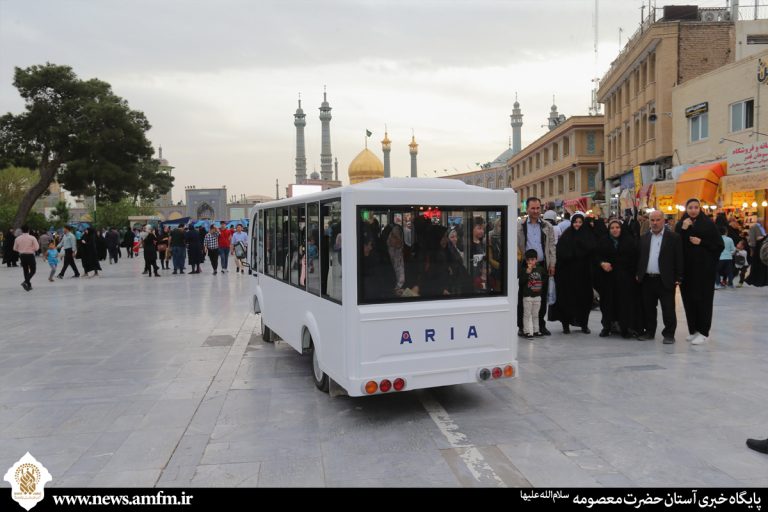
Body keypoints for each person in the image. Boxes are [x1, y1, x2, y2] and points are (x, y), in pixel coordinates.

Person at [675, 198, 724, 345]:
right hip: (687, 270)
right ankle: (693, 330)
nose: (693, 210)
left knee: (703, 300)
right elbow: (676, 244)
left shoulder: (708, 224)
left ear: (700, 209)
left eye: (696, 207)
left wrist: (701, 242)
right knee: (689, 299)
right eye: (690, 207)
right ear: (686, 209)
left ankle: (703, 332)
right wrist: (683, 229)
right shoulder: (681, 224)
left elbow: (718, 245)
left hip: (703, 271)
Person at [636, 210, 684, 344]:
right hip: (647, 279)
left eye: (658, 220)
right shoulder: (644, 237)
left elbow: (678, 258)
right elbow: (640, 258)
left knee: (668, 309)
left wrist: (679, 277)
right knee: (649, 309)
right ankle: (649, 332)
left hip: (665, 280)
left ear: (663, 221)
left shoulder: (673, 237)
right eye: (652, 220)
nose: (655, 223)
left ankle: (669, 334)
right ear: (649, 221)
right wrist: (638, 274)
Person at [517, 197, 556, 336]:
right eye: (532, 208)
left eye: (537, 208)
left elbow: (551, 246)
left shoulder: (547, 226)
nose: (535, 211)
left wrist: (552, 264)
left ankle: (540, 325)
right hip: (526, 267)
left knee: (541, 297)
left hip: (541, 266)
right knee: (524, 297)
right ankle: (523, 327)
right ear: (527, 209)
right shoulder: (520, 226)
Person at [552, 211, 595, 334]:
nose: (577, 224)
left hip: (583, 275)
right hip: (567, 276)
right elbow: (561, 254)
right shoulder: (566, 236)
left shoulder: (588, 236)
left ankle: (584, 324)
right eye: (575, 222)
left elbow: (592, 251)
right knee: (567, 300)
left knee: (584, 300)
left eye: (580, 222)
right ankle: (566, 325)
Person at [595, 219, 637, 338]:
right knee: (607, 302)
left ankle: (625, 328)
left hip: (624, 278)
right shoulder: (603, 241)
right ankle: (607, 327)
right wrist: (602, 263)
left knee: (624, 303)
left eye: (617, 227)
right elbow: (597, 256)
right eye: (612, 228)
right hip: (608, 278)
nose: (615, 230)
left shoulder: (628, 241)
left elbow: (634, 258)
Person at [519, 249, 546, 340]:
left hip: (537, 296)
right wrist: (527, 272)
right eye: (528, 260)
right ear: (526, 261)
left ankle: (536, 330)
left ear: (536, 259)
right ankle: (526, 331)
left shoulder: (540, 269)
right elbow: (521, 282)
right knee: (526, 314)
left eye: (533, 259)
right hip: (528, 297)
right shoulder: (524, 270)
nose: (531, 262)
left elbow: (544, 279)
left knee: (536, 314)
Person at [13, 225, 39, 291]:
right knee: (33, 270)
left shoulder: (17, 238)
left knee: (25, 270)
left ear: (21, 230)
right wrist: (31, 249)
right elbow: (37, 248)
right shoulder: (32, 238)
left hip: (22, 256)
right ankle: (25, 282)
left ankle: (28, 285)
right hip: (30, 255)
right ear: (28, 230)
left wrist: (21, 250)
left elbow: (14, 248)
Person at [746, 220, 767, 287]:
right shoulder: (754, 227)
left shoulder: (762, 227)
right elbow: (752, 237)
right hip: (757, 247)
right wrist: (752, 247)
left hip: (761, 246)